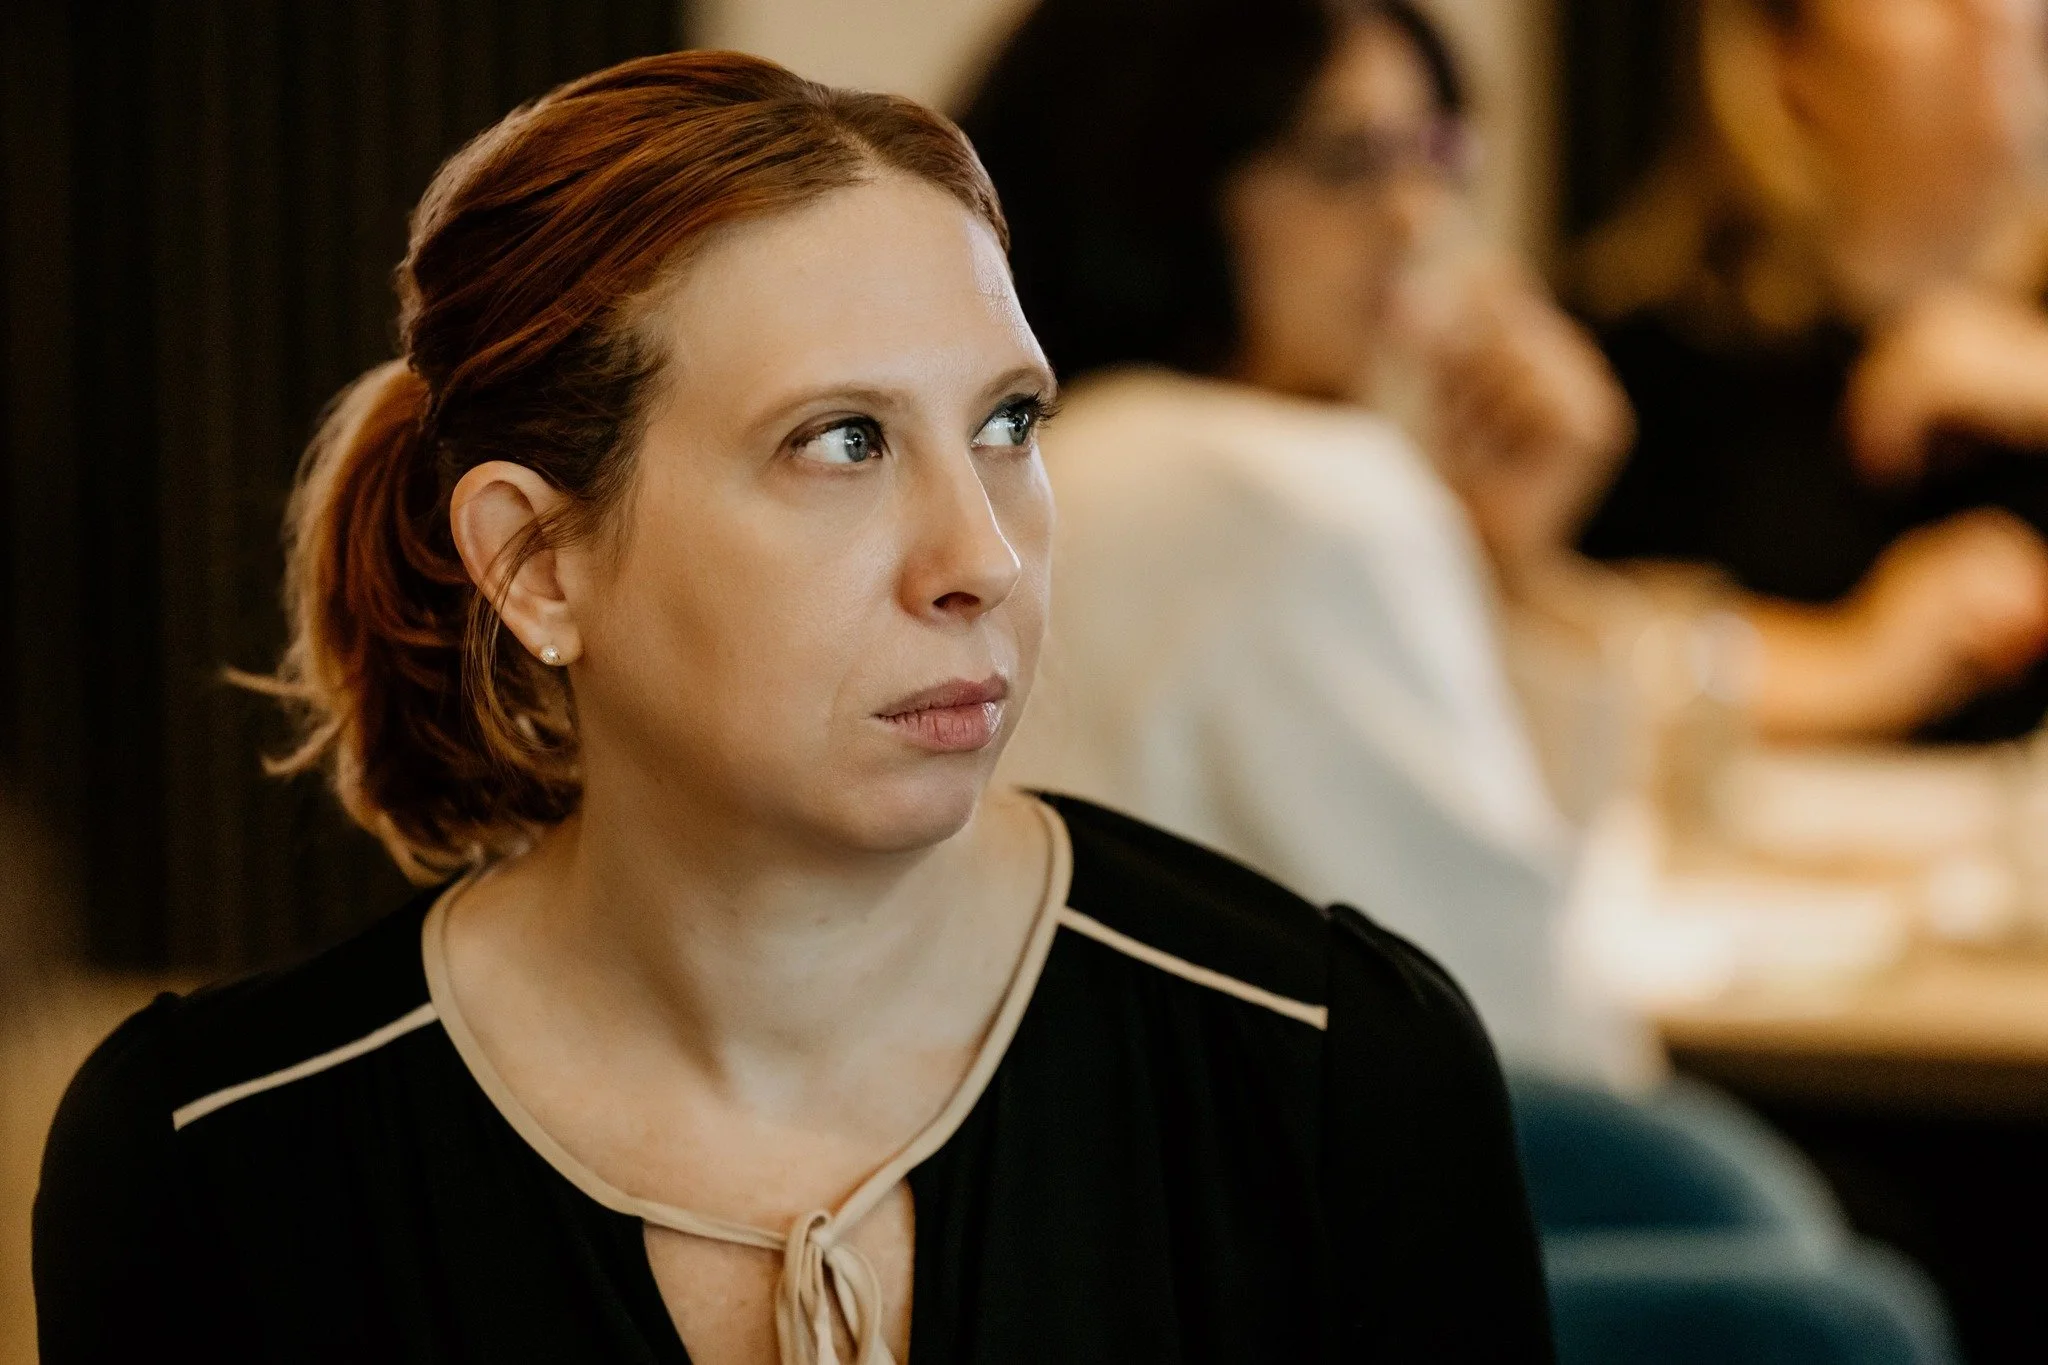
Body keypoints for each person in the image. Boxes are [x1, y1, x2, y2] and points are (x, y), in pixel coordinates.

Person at [31, 52, 1550, 1364]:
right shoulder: (216, 1164)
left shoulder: (1336, 1068)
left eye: (1009, 424)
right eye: (841, 442)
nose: (984, 556)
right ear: (537, 563)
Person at [965, 0, 1643, 1083]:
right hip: (1338, 1209)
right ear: (1157, 177)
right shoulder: (1298, 495)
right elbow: (1537, 1020)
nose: (1416, 219)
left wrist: (1502, 563)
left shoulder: (1022, 465)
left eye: (1433, 152)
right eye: (1345, 161)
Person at [1579, 0, 2048, 742]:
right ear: (1786, 56)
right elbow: (1551, 654)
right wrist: (1851, 664)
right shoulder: (1653, 366)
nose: (1991, 13)